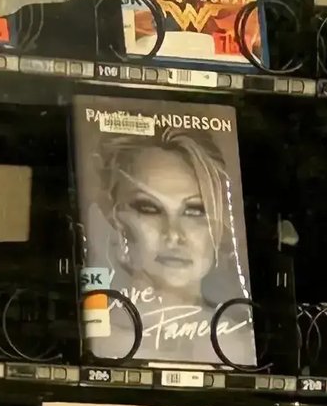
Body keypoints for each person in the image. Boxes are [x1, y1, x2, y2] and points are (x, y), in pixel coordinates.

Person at [91, 131, 255, 366]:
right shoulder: (100, 344)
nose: (174, 235)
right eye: (149, 208)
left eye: (194, 211)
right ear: (113, 217)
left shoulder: (242, 347)